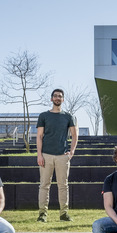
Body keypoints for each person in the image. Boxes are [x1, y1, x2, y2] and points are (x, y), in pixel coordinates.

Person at [36, 88, 78, 223]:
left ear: (63, 99)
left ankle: (64, 214)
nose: (57, 98)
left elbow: (75, 135)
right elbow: (39, 136)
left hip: (62, 156)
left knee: (63, 185)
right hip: (46, 155)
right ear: (51, 99)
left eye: (60, 96)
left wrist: (71, 152)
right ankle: (42, 214)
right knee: (44, 185)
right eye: (55, 96)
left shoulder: (68, 116)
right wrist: (39, 155)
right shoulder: (43, 116)